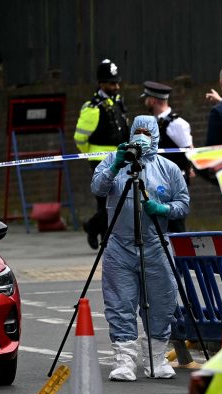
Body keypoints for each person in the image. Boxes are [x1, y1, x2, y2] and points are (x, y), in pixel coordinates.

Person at [91, 115, 189, 383]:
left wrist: (163, 209)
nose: (142, 137)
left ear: (155, 135)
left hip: (156, 244)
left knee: (161, 301)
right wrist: (116, 167)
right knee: (120, 302)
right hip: (119, 246)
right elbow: (98, 188)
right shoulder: (114, 160)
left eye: (147, 132)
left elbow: (183, 202)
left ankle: (156, 358)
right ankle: (124, 359)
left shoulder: (167, 168)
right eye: (138, 131)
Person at [141, 81, 200, 369]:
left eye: (147, 98)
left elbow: (189, 153)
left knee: (175, 242)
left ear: (154, 100)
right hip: (155, 199)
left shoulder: (176, 124)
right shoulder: (151, 126)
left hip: (171, 198)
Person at [75, 58, 129, 250]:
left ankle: (93, 226)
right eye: (112, 83)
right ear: (101, 83)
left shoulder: (118, 102)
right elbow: (80, 138)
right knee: (106, 200)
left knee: (117, 200)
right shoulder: (92, 107)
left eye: (117, 82)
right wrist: (89, 155)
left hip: (120, 158)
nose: (116, 86)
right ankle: (107, 240)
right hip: (99, 159)